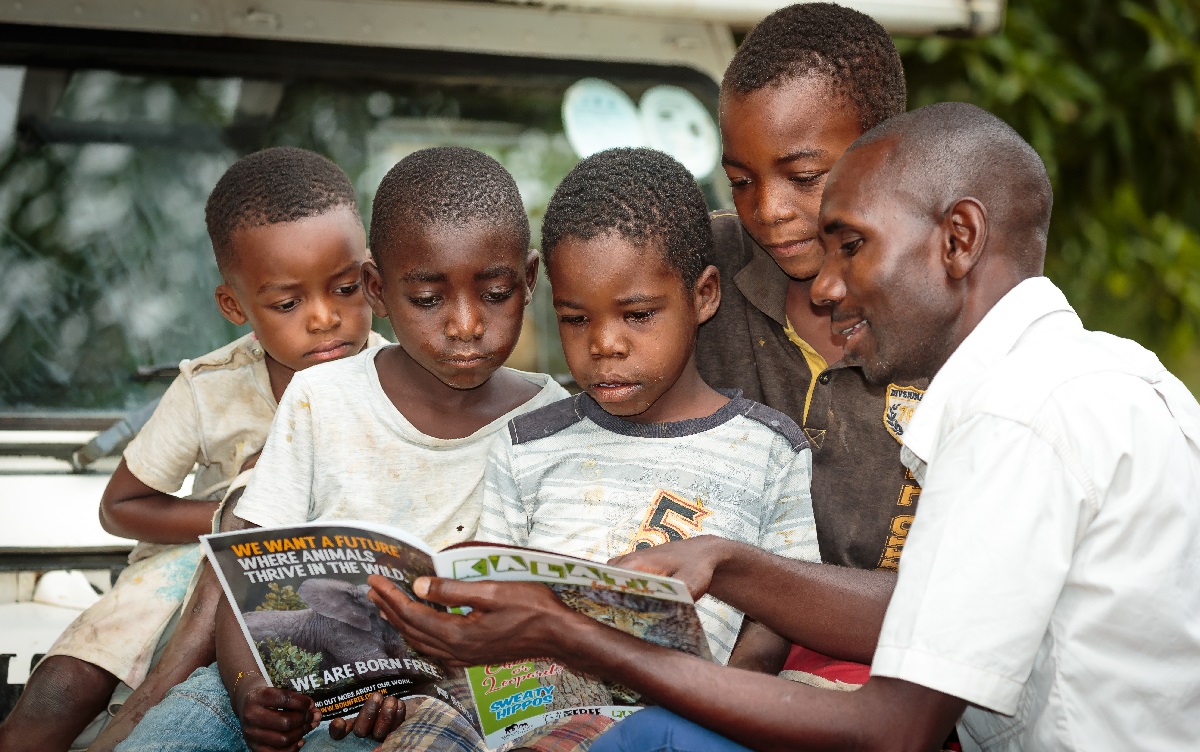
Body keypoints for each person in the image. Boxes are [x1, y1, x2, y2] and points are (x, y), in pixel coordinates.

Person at [371, 103, 1200, 751]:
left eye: (850, 245)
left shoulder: (1022, 419)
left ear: (958, 240)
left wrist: (571, 637)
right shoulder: (1083, 379)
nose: (828, 288)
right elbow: (930, 614)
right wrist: (728, 564)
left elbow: (890, 731)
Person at [114, 146, 569, 752]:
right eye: (429, 300)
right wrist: (253, 694)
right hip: (271, 690)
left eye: (495, 293)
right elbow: (249, 583)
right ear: (377, 289)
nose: (465, 324)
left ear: (530, 280)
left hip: (439, 709)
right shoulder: (321, 396)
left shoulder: (554, 422)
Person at [374, 146, 820, 752]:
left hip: (664, 714)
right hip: (510, 713)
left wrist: (725, 700)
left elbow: (778, 616)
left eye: (637, 315)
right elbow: (494, 595)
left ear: (704, 296)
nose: (604, 345)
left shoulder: (769, 449)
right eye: (575, 320)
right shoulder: (527, 441)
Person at [0, 146, 381, 752]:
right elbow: (122, 506)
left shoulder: (397, 381)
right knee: (61, 687)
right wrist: (233, 519)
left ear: (375, 279)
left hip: (325, 582)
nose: (323, 317)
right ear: (236, 308)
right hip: (185, 570)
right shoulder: (211, 387)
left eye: (345, 287)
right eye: (287, 303)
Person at [701, 3, 922, 587]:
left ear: (887, 152)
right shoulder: (699, 268)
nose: (768, 211)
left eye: (803, 178)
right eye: (741, 181)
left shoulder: (949, 313)